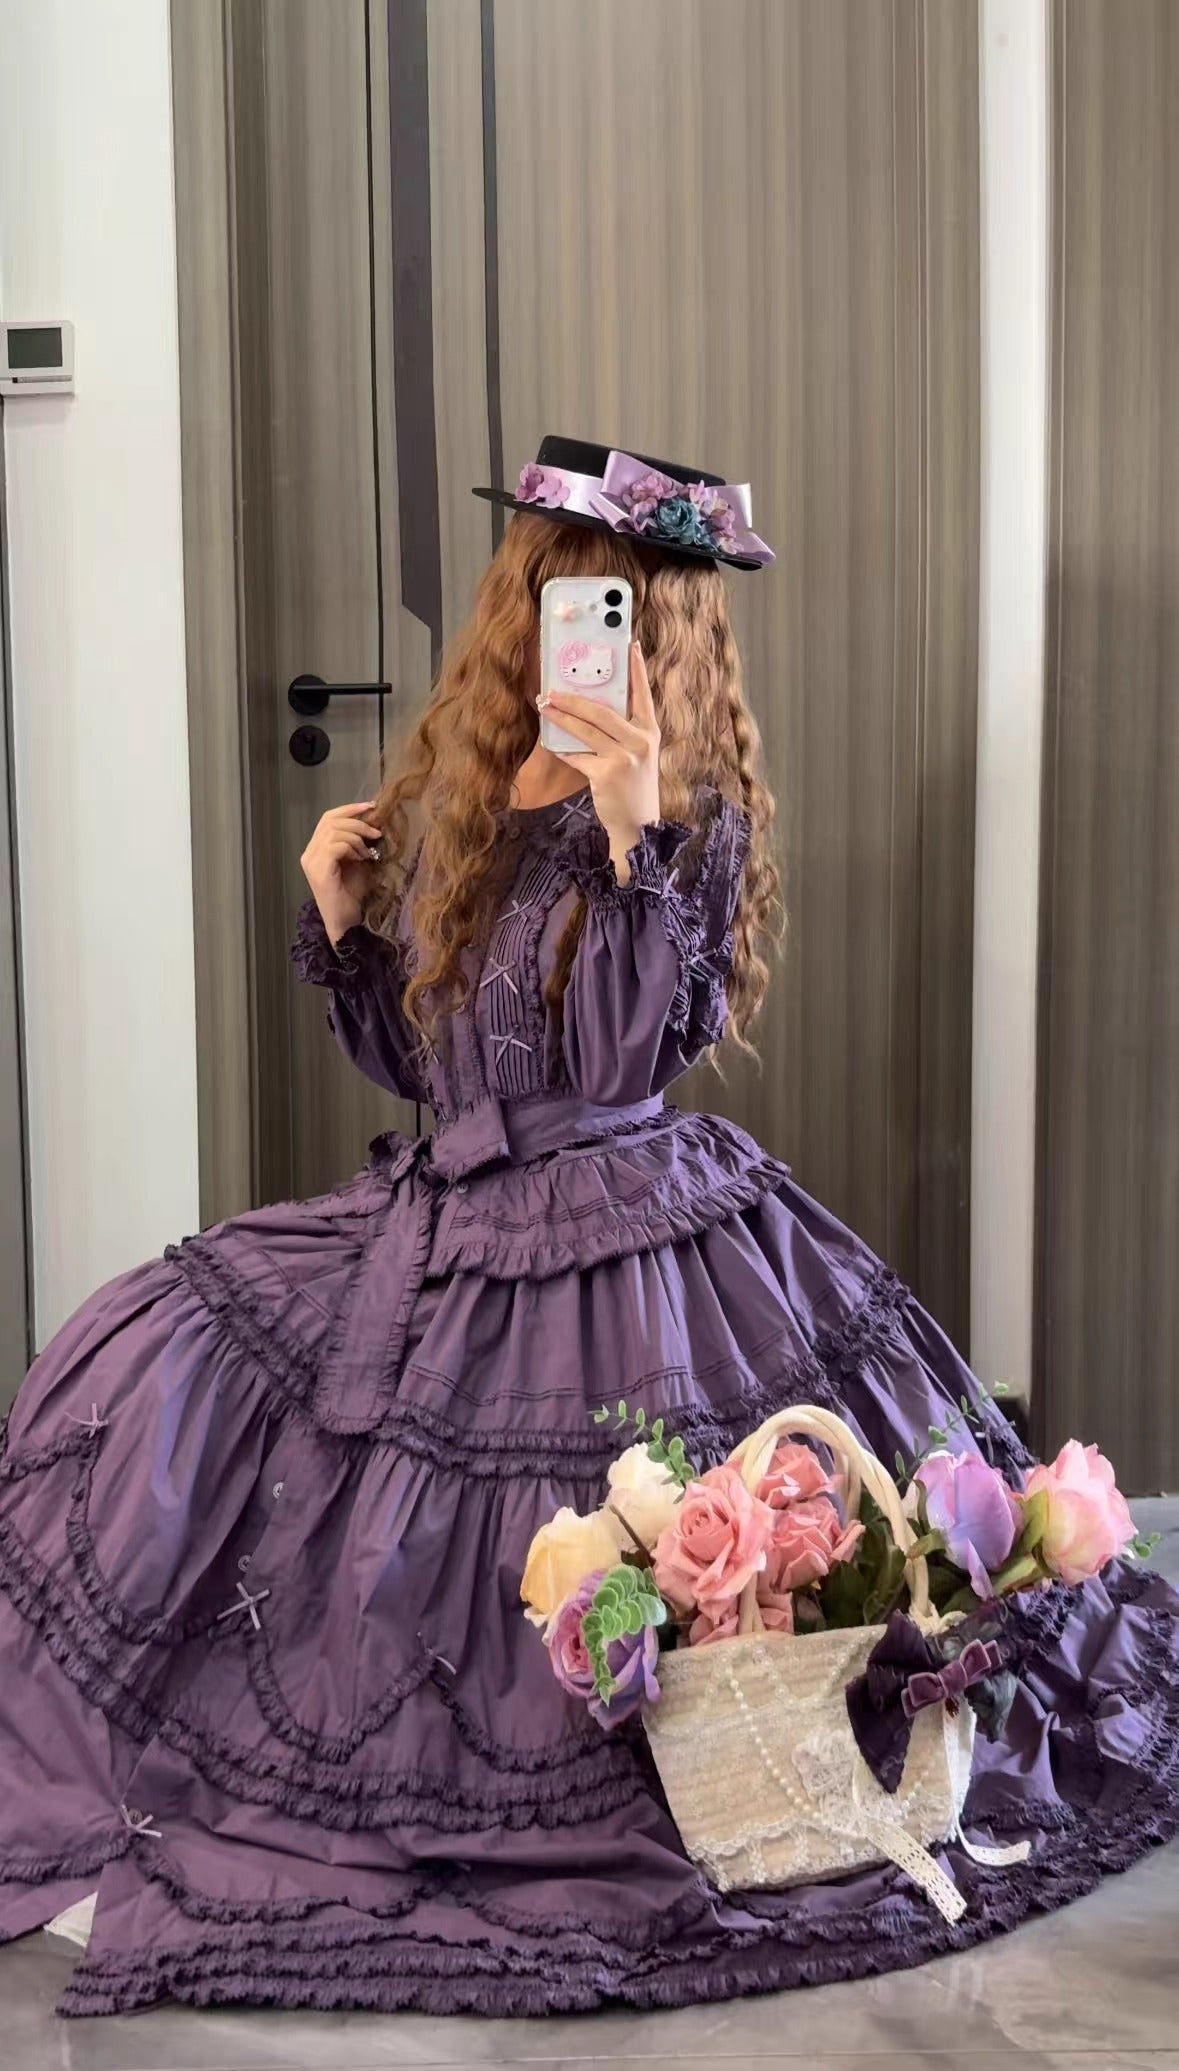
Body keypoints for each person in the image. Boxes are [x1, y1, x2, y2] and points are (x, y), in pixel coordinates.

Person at [0, 437, 1175, 2018]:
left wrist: (635, 841)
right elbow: (433, 1069)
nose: (578, 614)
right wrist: (344, 928)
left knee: (627, 1528)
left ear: (666, 619)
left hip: (625, 1223)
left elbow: (618, 1062)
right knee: (158, 1347)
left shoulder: (690, 807)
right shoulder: (475, 788)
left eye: (617, 594)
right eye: (558, 583)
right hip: (446, 1217)